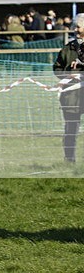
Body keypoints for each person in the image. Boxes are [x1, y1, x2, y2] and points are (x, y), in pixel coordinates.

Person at [53, 14, 84, 163]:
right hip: (71, 96)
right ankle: (69, 160)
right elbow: (57, 68)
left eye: (78, 27)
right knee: (70, 129)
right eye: (74, 27)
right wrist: (68, 74)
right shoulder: (67, 49)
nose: (75, 30)